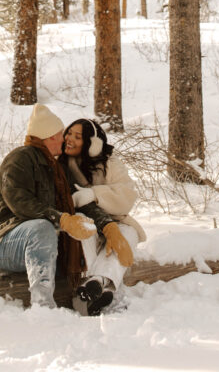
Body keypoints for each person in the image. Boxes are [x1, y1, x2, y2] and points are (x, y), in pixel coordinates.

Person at [0, 103, 114, 309]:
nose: (65, 138)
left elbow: (78, 198)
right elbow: (20, 202)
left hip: (34, 241)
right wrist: (61, 219)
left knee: (84, 234)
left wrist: (108, 226)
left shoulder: (56, 167)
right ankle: (43, 306)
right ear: (50, 137)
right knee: (43, 227)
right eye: (61, 134)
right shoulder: (19, 159)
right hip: (0, 240)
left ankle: (92, 298)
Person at [59, 117, 146, 316]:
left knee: (128, 234)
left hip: (115, 219)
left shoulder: (109, 162)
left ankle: (96, 283)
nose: (69, 139)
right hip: (83, 222)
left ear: (92, 144)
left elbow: (127, 195)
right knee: (86, 231)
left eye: (77, 136)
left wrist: (95, 194)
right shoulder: (62, 164)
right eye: (69, 133)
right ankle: (100, 288)